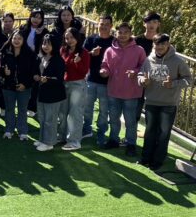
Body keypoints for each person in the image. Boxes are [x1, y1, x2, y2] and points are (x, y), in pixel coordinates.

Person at [138, 34, 192, 170]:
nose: (160, 47)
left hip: (168, 104)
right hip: (151, 102)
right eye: (157, 44)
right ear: (153, 45)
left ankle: (157, 161)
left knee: (163, 133)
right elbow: (140, 75)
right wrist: (143, 81)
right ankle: (145, 158)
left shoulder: (178, 61)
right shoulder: (148, 59)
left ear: (168, 44)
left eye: (163, 44)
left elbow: (189, 80)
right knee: (150, 131)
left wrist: (173, 84)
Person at [100, 22, 147, 155]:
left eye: (126, 32)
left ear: (131, 33)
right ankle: (113, 140)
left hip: (131, 93)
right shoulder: (109, 50)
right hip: (113, 91)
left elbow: (144, 66)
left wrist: (135, 72)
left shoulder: (139, 50)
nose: (123, 35)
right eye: (120, 32)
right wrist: (104, 71)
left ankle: (131, 144)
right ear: (116, 34)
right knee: (113, 118)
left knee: (130, 121)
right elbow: (105, 65)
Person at [83, 15, 114, 145]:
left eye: (107, 24)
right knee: (87, 107)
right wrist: (91, 53)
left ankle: (101, 133)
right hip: (91, 79)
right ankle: (86, 129)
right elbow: (81, 56)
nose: (104, 26)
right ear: (97, 24)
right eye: (102, 24)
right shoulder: (91, 39)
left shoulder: (115, 42)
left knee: (104, 110)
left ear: (111, 26)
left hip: (107, 82)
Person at [0, 30, 36, 141]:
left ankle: (22, 131)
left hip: (24, 87)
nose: (16, 40)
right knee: (9, 109)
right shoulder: (5, 52)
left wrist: (25, 84)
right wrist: (4, 72)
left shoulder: (29, 54)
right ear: (11, 39)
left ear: (24, 40)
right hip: (8, 86)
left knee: (22, 110)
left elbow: (33, 72)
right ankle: (9, 130)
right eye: (14, 38)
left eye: (19, 38)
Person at [58, 27, 90, 151]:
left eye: (72, 37)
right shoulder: (63, 50)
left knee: (75, 113)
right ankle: (62, 137)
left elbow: (84, 72)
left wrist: (78, 62)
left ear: (77, 38)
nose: (69, 40)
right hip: (64, 83)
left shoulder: (84, 52)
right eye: (67, 38)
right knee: (63, 112)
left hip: (77, 84)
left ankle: (74, 141)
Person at [34, 34, 66, 152]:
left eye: (49, 44)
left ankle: (49, 143)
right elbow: (39, 72)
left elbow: (59, 79)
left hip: (54, 95)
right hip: (42, 93)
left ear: (54, 45)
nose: (45, 46)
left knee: (50, 120)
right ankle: (43, 139)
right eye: (44, 43)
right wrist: (36, 76)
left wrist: (47, 79)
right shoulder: (41, 57)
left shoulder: (58, 60)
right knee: (42, 118)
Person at [135, 11, 161, 121]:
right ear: (144, 24)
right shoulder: (137, 40)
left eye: (154, 22)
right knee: (135, 112)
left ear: (158, 24)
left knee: (152, 116)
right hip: (138, 79)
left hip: (155, 81)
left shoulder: (162, 42)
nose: (151, 25)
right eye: (149, 22)